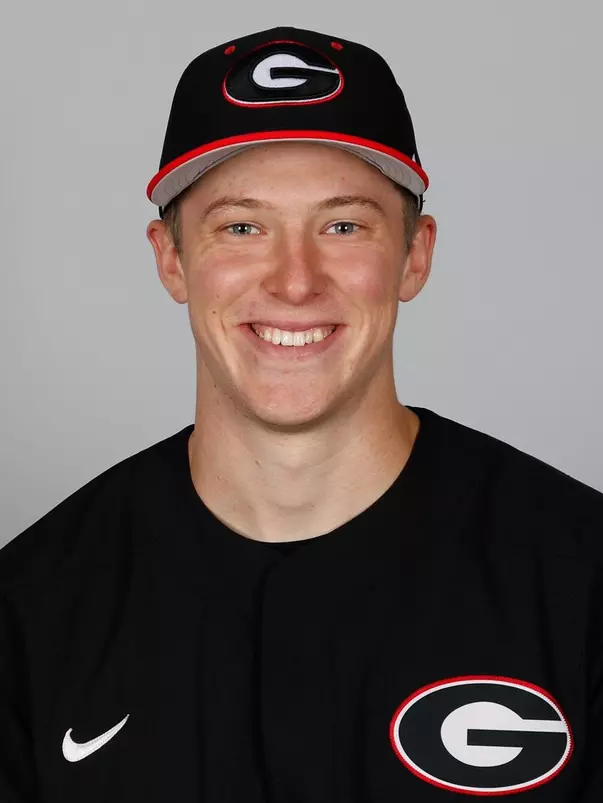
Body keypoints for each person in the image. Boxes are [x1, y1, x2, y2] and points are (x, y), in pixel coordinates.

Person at [0, 25, 601, 803]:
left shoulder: (578, 582)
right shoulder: (34, 610)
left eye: (342, 225)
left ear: (415, 255)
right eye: (241, 227)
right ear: (171, 259)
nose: (294, 280)